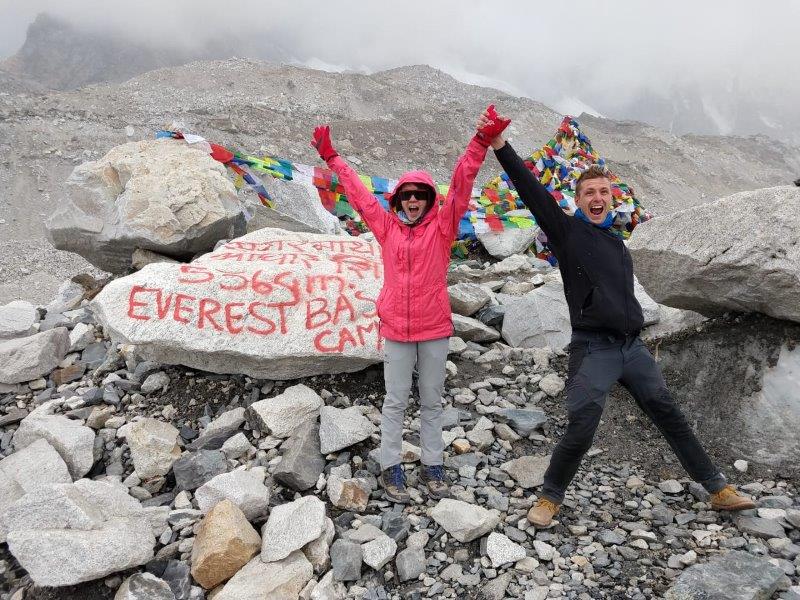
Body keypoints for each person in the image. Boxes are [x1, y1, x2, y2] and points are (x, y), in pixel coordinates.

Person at [479, 107, 756, 527]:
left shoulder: (618, 244)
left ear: (612, 197)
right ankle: (550, 496)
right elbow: (531, 190)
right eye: (589, 192)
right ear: (578, 199)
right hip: (594, 349)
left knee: (669, 414)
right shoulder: (567, 232)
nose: (597, 198)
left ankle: (717, 488)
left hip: (632, 348)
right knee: (582, 424)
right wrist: (501, 145)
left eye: (603, 192)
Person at [311, 107, 510, 502]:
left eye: (420, 194)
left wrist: (479, 142)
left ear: (429, 199)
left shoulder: (443, 227)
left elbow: (462, 183)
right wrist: (332, 158)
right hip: (397, 331)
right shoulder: (386, 228)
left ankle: (433, 464)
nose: (414, 199)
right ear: (399, 200)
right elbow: (359, 196)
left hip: (434, 330)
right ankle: (391, 466)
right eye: (407, 195)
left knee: (432, 402)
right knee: (395, 401)